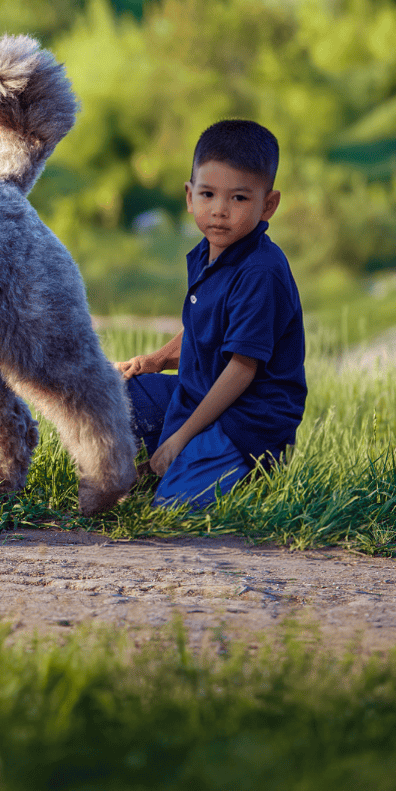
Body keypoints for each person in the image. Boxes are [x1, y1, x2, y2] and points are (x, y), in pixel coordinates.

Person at [115, 120, 306, 509]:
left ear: (268, 205)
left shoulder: (260, 272)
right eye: (208, 194)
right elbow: (202, 330)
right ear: (190, 196)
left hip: (248, 420)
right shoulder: (209, 252)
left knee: (172, 511)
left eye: (238, 199)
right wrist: (151, 362)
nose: (219, 211)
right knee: (112, 393)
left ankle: (249, 470)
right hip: (200, 394)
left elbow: (241, 369)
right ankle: (149, 466)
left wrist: (180, 437)